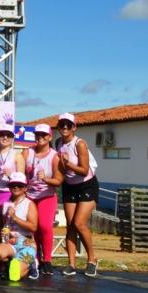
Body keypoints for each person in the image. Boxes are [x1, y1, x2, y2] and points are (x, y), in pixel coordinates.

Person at [56, 112, 99, 278]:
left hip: (86, 185)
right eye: (62, 125)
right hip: (69, 186)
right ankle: (71, 264)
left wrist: (68, 164)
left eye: (68, 125)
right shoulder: (58, 142)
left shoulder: (79, 144)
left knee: (80, 223)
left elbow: (84, 169)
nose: (65, 128)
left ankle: (92, 260)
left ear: (74, 127)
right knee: (70, 225)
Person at [25, 124, 62, 276]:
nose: (40, 137)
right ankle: (36, 258)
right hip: (30, 196)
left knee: (45, 226)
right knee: (33, 228)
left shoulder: (54, 156)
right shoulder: (28, 152)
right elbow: (20, 170)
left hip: (47, 195)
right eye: (38, 135)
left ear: (49, 137)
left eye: (43, 135)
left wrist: (46, 179)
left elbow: (58, 180)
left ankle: (47, 260)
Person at [0, 172, 40, 280]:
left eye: (20, 185)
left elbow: (33, 227)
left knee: (14, 275)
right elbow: (0, 226)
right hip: (10, 242)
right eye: (13, 185)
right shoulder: (6, 204)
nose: (16, 187)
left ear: (25, 188)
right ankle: (13, 261)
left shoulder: (29, 204)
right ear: (9, 187)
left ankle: (31, 263)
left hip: (26, 243)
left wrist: (15, 218)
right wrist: (3, 232)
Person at [0, 121, 24, 232]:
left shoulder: (17, 156)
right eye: (2, 135)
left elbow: (22, 180)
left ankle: (3, 247)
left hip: (6, 193)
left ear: (12, 138)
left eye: (8, 135)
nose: (5, 137)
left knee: (3, 224)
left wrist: (11, 175)